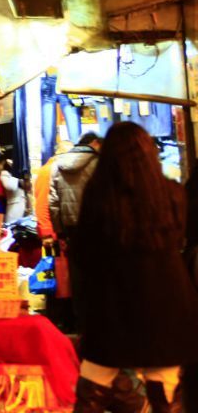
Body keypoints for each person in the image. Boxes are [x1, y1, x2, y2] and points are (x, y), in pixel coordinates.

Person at [69, 122, 198, 413]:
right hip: (168, 302)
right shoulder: (172, 193)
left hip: (114, 305)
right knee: (165, 389)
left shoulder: (98, 196)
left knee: (94, 384)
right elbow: (179, 236)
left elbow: (83, 251)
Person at [50, 132, 100, 237]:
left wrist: (58, 230)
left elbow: (53, 201)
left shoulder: (57, 164)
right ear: (95, 143)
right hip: (94, 225)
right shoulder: (98, 163)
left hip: (68, 226)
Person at [0, 156, 28, 227]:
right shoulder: (4, 174)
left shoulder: (17, 174)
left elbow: (26, 187)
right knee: (12, 227)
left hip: (21, 204)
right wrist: (15, 171)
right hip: (14, 206)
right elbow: (11, 187)